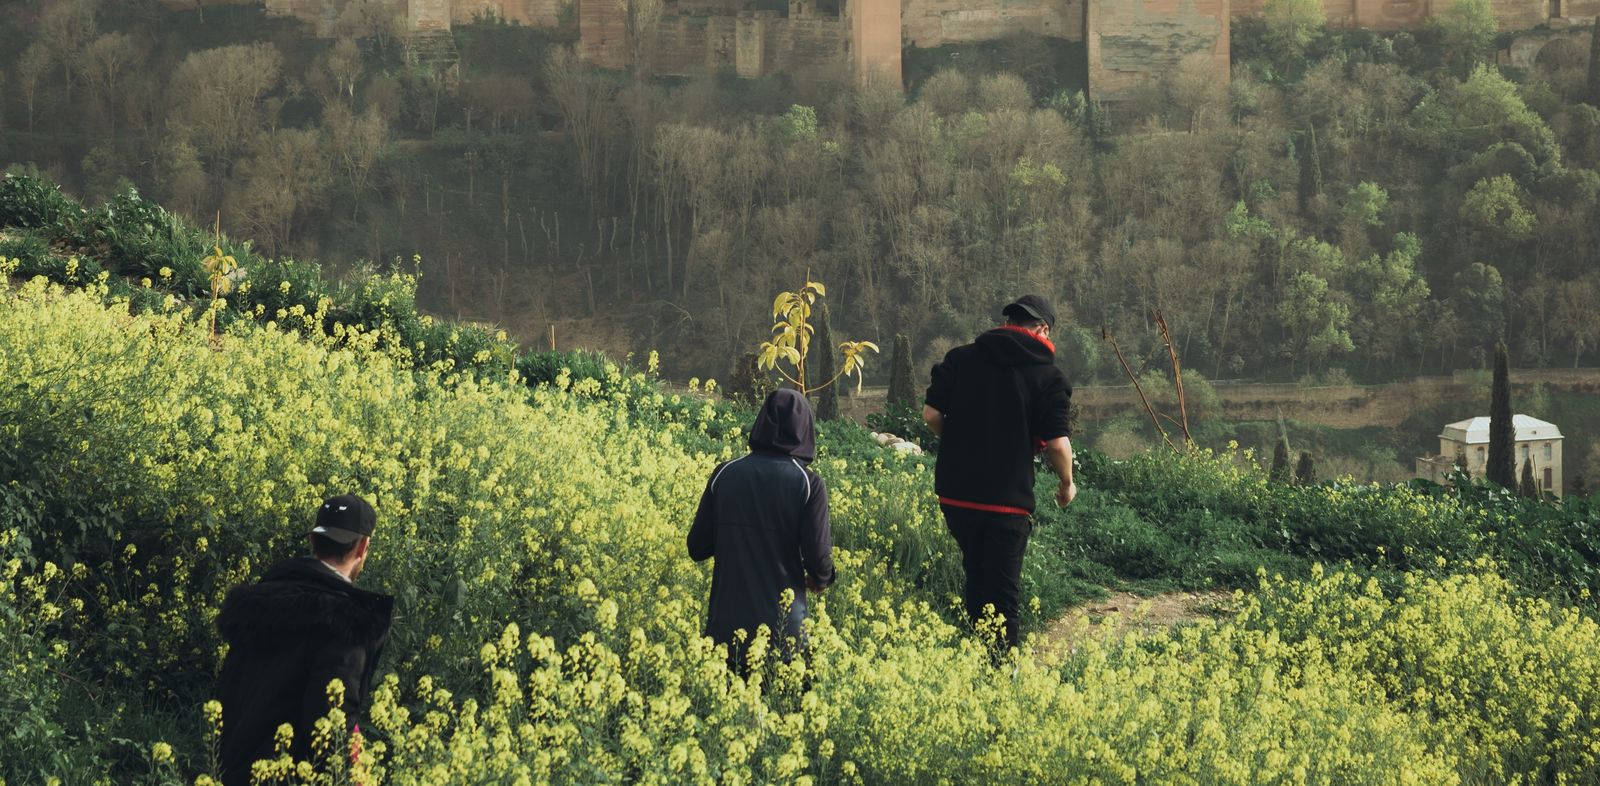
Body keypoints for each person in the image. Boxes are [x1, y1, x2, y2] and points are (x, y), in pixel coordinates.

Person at [922, 295, 1075, 655]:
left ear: (1007, 324)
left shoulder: (960, 359)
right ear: (1043, 329)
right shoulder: (1048, 376)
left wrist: (958, 443)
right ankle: (1003, 669)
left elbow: (931, 415)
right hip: (1006, 500)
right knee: (1003, 590)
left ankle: (979, 656)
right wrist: (1067, 483)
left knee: (976, 574)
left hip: (957, 494)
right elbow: (1057, 444)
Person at [215, 494, 394, 785]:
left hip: (229, 770)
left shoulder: (258, 601)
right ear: (364, 547)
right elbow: (331, 725)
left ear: (312, 540)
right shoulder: (345, 626)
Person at [688, 388, 835, 671]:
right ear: (805, 429)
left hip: (725, 634)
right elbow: (818, 559)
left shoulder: (724, 473)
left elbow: (697, 547)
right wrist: (822, 578)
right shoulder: (808, 484)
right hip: (785, 636)